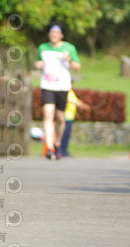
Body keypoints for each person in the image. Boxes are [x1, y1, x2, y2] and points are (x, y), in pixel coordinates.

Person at [34, 21, 81, 160]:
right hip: (47, 85)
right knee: (48, 115)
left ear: (61, 35)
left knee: (60, 118)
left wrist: (69, 59)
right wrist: (39, 64)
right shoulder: (43, 48)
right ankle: (49, 148)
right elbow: (37, 62)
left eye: (57, 33)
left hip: (62, 86)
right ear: (49, 34)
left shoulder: (69, 48)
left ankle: (58, 143)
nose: (54, 35)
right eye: (51, 32)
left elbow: (77, 67)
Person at [59, 87, 91, 157]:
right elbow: (72, 101)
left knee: (66, 136)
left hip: (69, 118)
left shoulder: (71, 92)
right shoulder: (66, 91)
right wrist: (84, 106)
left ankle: (64, 150)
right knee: (63, 135)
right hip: (66, 117)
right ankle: (60, 151)